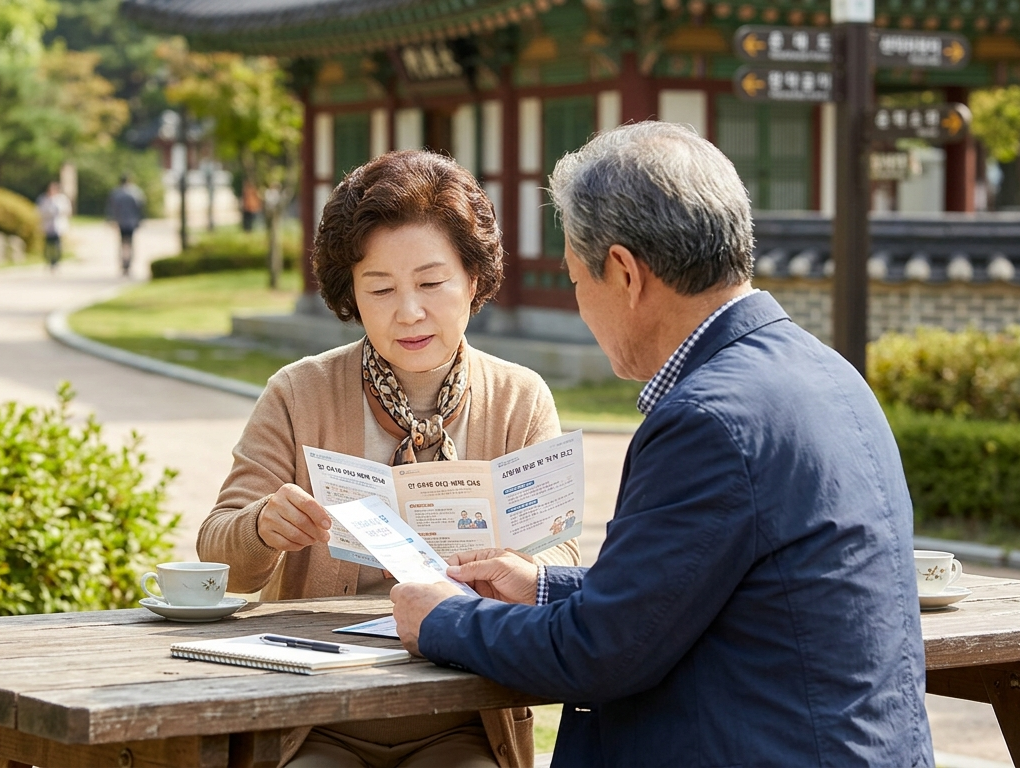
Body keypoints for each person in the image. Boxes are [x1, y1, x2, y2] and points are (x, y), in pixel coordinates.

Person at [389, 123, 931, 767]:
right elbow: (703, 590)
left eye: (574, 281)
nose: (580, 306)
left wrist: (441, 619)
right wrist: (544, 587)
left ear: (623, 272)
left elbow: (602, 652)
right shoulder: (827, 372)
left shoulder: (708, 420)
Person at [201, 150, 579, 768]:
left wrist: (511, 564)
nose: (408, 312)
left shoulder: (519, 397)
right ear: (351, 292)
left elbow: (560, 553)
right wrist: (263, 526)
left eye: (431, 283)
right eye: (380, 288)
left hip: (461, 711)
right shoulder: (299, 392)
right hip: (315, 714)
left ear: (474, 280)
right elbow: (218, 550)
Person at [106, 174, 145, 276]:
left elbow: (111, 208)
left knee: (123, 243)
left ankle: (124, 263)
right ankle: (128, 264)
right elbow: (140, 207)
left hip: (121, 222)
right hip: (131, 222)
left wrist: (111, 220)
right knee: (130, 243)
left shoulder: (116, 193)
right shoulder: (135, 192)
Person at [36, 181, 72, 271]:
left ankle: (56, 261)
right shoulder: (43, 198)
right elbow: (39, 211)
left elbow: (67, 210)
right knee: (48, 244)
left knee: (57, 244)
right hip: (47, 225)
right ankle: (48, 260)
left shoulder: (61, 199)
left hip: (58, 225)